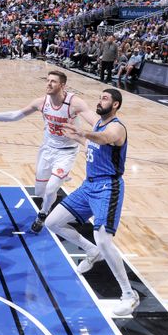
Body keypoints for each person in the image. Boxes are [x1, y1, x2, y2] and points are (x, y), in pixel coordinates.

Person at [44, 89, 139, 317]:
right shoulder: (98, 125)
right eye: (100, 97)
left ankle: (129, 294)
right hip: (89, 186)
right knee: (52, 222)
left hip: (108, 187)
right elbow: (93, 146)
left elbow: (105, 139)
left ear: (115, 105)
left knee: (104, 239)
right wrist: (73, 135)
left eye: (105, 98)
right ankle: (91, 252)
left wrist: (83, 133)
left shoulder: (116, 128)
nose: (100, 101)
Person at [0, 70, 97, 233]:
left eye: (53, 81)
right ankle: (60, 178)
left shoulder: (74, 103)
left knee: (51, 189)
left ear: (62, 85)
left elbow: (96, 123)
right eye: (48, 80)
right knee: (40, 192)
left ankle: (42, 215)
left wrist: (91, 141)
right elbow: (16, 115)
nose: (49, 84)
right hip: (47, 150)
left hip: (67, 152)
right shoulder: (42, 103)